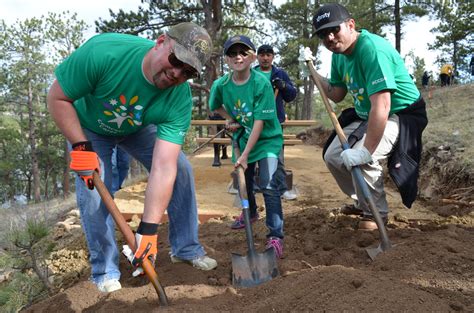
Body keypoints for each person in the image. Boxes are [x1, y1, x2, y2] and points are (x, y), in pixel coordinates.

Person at [47, 22, 217, 293]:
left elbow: (163, 167)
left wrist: (148, 229)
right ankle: (105, 269)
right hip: (89, 127)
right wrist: (80, 147)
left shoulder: (179, 99)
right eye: (175, 60)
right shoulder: (105, 53)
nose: (176, 73)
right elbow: (57, 98)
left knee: (181, 170)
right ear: (161, 41)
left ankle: (185, 248)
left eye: (187, 72)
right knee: (94, 187)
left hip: (137, 127)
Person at [312, 3, 428, 230]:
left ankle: (377, 214)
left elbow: (383, 106)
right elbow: (337, 94)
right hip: (366, 113)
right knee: (334, 156)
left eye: (335, 29)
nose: (331, 37)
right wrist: (313, 72)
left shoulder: (371, 50)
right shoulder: (338, 54)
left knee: (361, 155)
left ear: (351, 24)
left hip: (401, 113)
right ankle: (362, 201)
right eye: (324, 34)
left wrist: (365, 152)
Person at [209, 35, 286, 258]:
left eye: (243, 52)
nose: (238, 57)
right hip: (244, 137)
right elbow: (215, 107)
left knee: (269, 184)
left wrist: (244, 155)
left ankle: (276, 236)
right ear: (226, 59)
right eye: (232, 53)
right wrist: (230, 118)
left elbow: (260, 123)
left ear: (252, 56)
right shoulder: (221, 84)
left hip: (267, 139)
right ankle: (251, 213)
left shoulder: (260, 82)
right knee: (246, 182)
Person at [255, 44, 297, 200]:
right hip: (253, 122)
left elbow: (291, 96)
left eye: (268, 55)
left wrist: (284, 86)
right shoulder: (251, 74)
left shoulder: (280, 74)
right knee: (252, 157)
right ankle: (250, 189)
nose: (265, 58)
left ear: (273, 57)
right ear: (257, 57)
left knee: (277, 157)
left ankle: (281, 189)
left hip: (274, 123)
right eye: (262, 55)